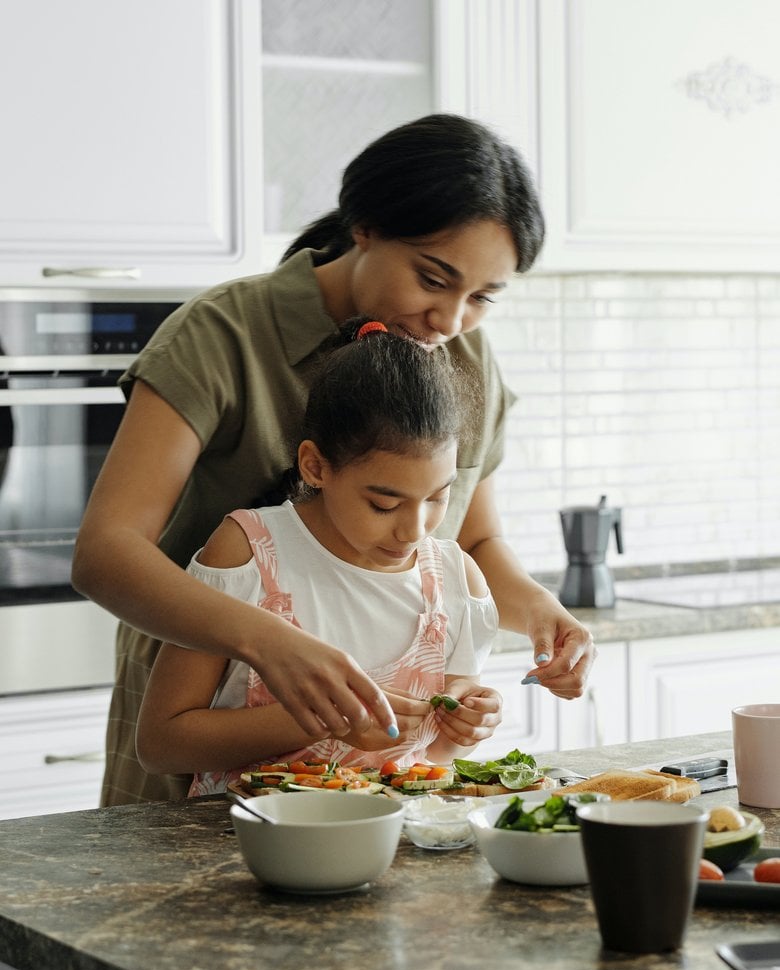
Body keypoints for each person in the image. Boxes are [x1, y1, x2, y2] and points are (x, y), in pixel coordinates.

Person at [72, 112, 596, 807]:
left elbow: (471, 540)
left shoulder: (463, 356)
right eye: (433, 278)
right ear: (366, 227)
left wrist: (539, 613)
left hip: (373, 777)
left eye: (481, 298)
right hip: (203, 719)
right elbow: (106, 552)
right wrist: (270, 644)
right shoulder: (222, 334)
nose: (450, 319)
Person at [135, 321, 503, 794]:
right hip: (245, 846)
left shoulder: (456, 581)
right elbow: (160, 744)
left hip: (395, 847)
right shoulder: (248, 553)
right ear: (315, 466)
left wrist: (466, 727)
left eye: (438, 497)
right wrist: (321, 720)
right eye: (384, 504)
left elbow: (436, 756)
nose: (415, 530)